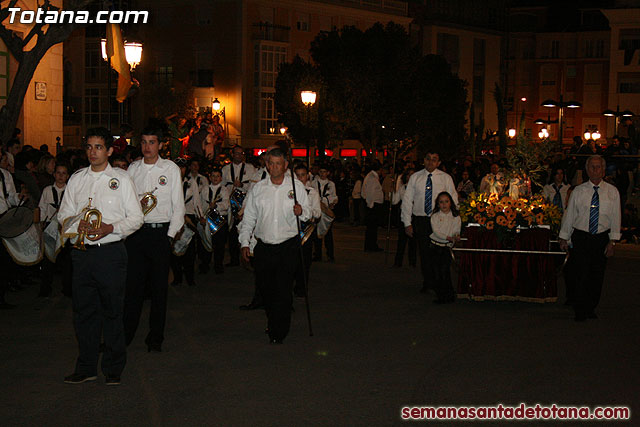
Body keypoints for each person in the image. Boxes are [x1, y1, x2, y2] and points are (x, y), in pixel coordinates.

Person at [57, 127, 143, 385]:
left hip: (110, 254)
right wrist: (76, 225)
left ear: (109, 151)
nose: (93, 152)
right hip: (82, 254)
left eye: (98, 147)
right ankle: (86, 367)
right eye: (89, 147)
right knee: (83, 313)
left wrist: (110, 228)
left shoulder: (122, 179)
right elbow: (64, 214)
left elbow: (137, 218)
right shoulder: (77, 178)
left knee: (112, 312)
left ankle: (114, 368)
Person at [238, 148, 311, 344]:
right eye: (271, 163)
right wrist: (245, 242)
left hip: (288, 246)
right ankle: (273, 319)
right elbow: (250, 217)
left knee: (283, 289)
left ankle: (279, 330)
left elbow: (309, 214)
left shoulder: (296, 187)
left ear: (285, 165)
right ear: (267, 165)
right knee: (266, 289)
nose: (275, 167)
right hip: (264, 247)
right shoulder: (259, 188)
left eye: (279, 163)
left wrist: (301, 210)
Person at [123, 126, 185, 352]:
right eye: (144, 142)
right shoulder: (133, 168)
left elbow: (178, 206)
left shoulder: (170, 169)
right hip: (136, 234)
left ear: (160, 145)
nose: (147, 147)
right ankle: (125, 335)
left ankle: (155, 338)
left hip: (160, 234)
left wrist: (169, 238)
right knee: (133, 289)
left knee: (159, 289)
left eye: (152, 142)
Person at [559, 155, 621, 322]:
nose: (595, 170)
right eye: (592, 167)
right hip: (581, 237)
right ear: (587, 170)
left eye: (598, 167)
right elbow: (570, 215)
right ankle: (579, 309)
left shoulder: (612, 192)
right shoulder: (578, 191)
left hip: (601, 238)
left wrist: (612, 241)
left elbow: (616, 218)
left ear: (603, 169)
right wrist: (564, 237)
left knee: (596, 275)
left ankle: (590, 306)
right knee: (580, 274)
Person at [402, 151, 458, 293]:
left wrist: (455, 223)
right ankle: (428, 282)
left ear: (438, 163)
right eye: (428, 159)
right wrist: (407, 222)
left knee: (440, 253)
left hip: (440, 219)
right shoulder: (415, 177)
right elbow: (408, 200)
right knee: (425, 253)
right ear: (424, 161)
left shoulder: (445, 178)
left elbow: (454, 199)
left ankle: (441, 282)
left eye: (434, 159)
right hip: (421, 220)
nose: (431, 162)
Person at [38, 163, 70, 297]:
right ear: (54, 174)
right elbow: (42, 208)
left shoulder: (70, 191)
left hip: (65, 228)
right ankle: (45, 288)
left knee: (67, 261)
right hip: (50, 227)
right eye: (58, 173)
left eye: (64, 173)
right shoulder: (47, 190)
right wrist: (41, 225)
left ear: (68, 176)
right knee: (48, 259)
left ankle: (68, 288)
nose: (61, 176)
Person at [170, 158, 202, 287]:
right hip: (173, 217)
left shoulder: (191, 182)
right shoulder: (169, 182)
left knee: (189, 250)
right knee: (174, 249)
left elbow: (197, 201)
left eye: (182, 167)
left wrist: (200, 217)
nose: (180, 170)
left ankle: (190, 277)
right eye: (178, 167)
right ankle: (177, 277)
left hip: (188, 216)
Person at [222, 145, 255, 266]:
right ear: (232, 154)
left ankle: (250, 257)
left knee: (247, 230)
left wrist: (241, 185)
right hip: (231, 205)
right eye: (237, 153)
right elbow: (221, 186)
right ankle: (234, 259)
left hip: (245, 204)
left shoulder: (250, 168)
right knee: (232, 233)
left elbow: (253, 186)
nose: (239, 156)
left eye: (241, 153)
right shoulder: (225, 169)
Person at [293, 163, 322, 297]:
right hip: (290, 230)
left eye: (303, 175)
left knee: (304, 262)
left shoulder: (312, 192)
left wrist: (305, 211)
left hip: (306, 231)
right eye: (297, 175)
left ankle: (301, 288)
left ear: (307, 176)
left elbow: (317, 213)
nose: (300, 178)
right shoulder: (289, 191)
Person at [429, 192, 461, 304]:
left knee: (445, 271)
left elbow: (457, 229)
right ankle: (441, 295)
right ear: (438, 204)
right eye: (441, 202)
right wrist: (448, 237)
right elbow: (436, 232)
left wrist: (456, 235)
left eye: (446, 201)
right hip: (435, 246)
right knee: (437, 272)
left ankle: (449, 294)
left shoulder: (455, 216)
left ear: (450, 202)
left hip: (446, 248)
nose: (444, 204)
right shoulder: (435, 216)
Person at [0, 158, 24, 308]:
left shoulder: (5, 175)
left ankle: (1, 296)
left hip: (3, 218)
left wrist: (18, 197)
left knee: (3, 259)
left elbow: (11, 197)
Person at [199, 167, 230, 274]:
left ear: (221, 178)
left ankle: (218, 265)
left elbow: (226, 205)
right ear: (210, 177)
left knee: (219, 245)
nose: (215, 178)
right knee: (206, 243)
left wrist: (216, 205)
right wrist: (201, 217)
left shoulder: (224, 190)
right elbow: (201, 205)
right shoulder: (205, 189)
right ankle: (205, 264)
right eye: (213, 176)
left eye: (217, 176)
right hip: (208, 219)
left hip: (220, 220)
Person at [312, 164, 337, 261]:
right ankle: (317, 254)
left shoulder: (331, 184)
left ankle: (330, 255)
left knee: (328, 234)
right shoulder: (314, 183)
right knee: (316, 233)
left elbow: (334, 196)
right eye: (321, 172)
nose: (323, 174)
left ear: (328, 173)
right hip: (318, 208)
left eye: (325, 172)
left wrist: (332, 203)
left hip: (326, 209)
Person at [393, 168, 416, 267]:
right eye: (409, 175)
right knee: (401, 240)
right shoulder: (403, 187)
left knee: (413, 241)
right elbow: (395, 201)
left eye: (412, 175)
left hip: (414, 215)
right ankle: (398, 262)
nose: (410, 177)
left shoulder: (417, 188)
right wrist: (393, 191)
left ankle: (412, 262)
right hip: (404, 215)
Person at [362, 161, 385, 252]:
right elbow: (370, 193)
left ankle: (372, 245)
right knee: (371, 228)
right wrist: (370, 205)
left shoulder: (372, 177)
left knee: (373, 228)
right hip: (373, 205)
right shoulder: (372, 178)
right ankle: (370, 246)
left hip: (373, 205)